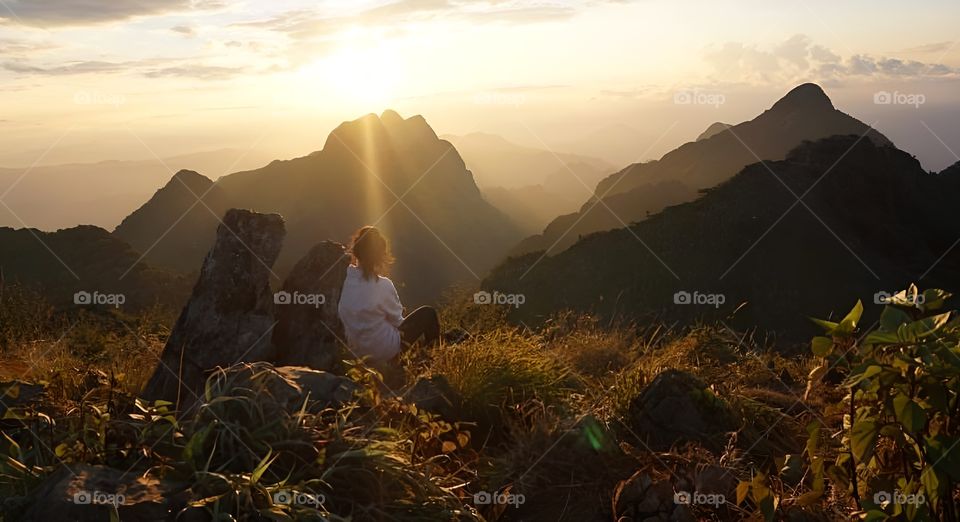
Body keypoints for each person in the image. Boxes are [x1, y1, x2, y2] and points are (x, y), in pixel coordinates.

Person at [337, 226, 440, 369]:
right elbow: (398, 322)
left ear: (356, 249)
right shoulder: (383, 285)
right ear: (380, 255)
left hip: (357, 354)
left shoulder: (343, 276)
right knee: (428, 313)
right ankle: (432, 363)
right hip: (386, 352)